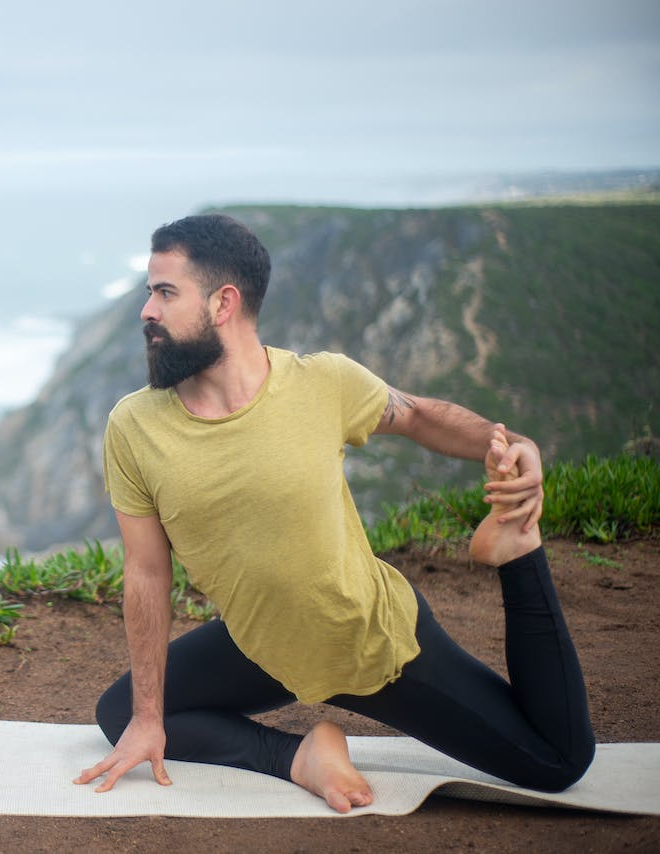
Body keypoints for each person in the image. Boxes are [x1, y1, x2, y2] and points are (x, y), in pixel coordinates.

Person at [73, 214, 595, 812]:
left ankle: (517, 554)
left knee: (558, 760)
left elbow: (419, 414)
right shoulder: (134, 426)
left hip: (368, 644)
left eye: (166, 293)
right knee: (123, 715)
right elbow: (146, 571)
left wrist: (505, 443)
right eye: (149, 293)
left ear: (223, 303)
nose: (148, 311)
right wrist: (148, 715)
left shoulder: (322, 382)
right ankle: (300, 758)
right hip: (262, 644)